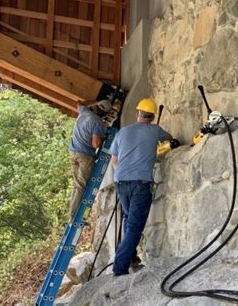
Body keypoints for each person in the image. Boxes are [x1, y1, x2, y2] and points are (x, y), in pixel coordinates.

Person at [109, 97, 172, 276]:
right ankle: (119, 268)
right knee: (135, 226)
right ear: (152, 117)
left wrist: (125, 172)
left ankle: (131, 259)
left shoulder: (122, 132)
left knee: (129, 222)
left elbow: (114, 161)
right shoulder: (155, 130)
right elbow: (170, 140)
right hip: (141, 183)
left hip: (121, 182)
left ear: (137, 113)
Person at [68, 99, 112, 218]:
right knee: (81, 186)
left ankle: (72, 213)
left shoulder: (84, 112)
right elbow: (95, 144)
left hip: (73, 153)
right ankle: (73, 216)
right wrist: (103, 138)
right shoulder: (97, 122)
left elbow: (79, 103)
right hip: (85, 156)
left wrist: (96, 101)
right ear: (104, 113)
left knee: (77, 185)